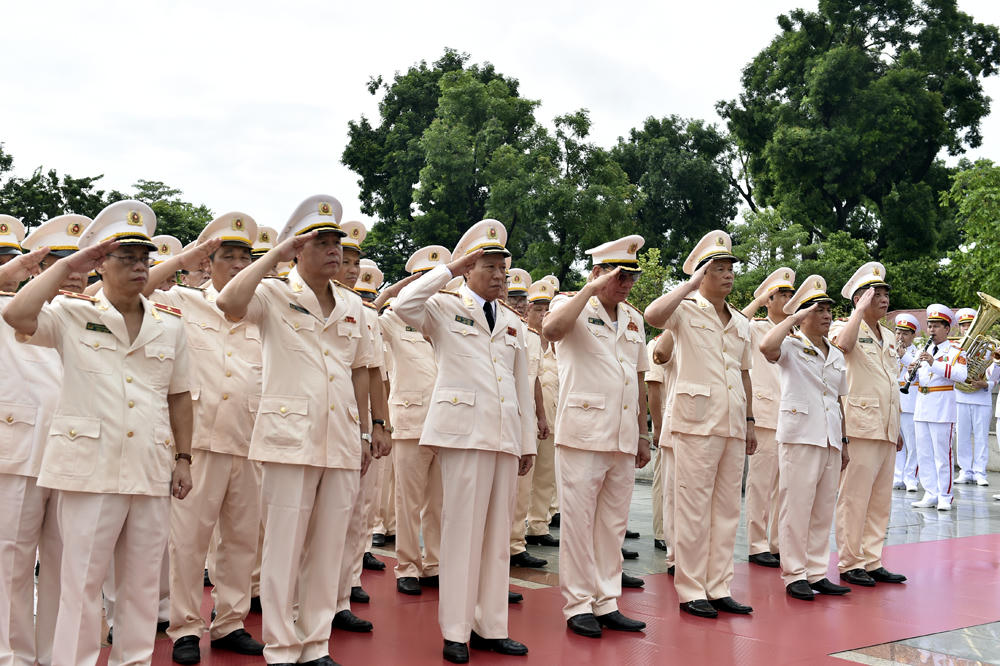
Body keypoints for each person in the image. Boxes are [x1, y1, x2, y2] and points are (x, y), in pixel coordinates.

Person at [3, 200, 195, 666]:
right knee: (81, 584)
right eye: (124, 258)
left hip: (150, 467)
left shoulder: (169, 324)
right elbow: (18, 315)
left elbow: (180, 396)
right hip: (88, 469)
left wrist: (184, 458)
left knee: (141, 586)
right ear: (99, 265)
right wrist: (70, 262)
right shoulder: (70, 312)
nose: (138, 267)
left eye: (142, 259)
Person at [216, 194, 374, 666]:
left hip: (340, 438)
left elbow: (362, 369)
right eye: (321, 242)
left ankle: (315, 643)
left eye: (336, 243)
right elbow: (228, 301)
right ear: (297, 249)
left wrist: (369, 431)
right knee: (284, 549)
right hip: (289, 440)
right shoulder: (273, 292)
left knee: (329, 548)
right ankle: (282, 647)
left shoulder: (351, 304)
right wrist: (273, 257)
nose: (334, 251)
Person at [392, 219, 535, 664]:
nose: (498, 276)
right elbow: (401, 304)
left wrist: (526, 440)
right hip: (463, 435)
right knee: (460, 534)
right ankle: (455, 629)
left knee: (496, 536)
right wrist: (450, 269)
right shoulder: (441, 307)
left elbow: (521, 385)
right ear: (469, 269)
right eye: (488, 267)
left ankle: (491, 626)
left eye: (502, 269)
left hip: (503, 437)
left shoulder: (513, 322)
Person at [144, 213, 266, 663]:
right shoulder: (182, 301)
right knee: (189, 542)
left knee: (240, 540)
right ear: (208, 264)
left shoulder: (261, 309)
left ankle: (231, 621)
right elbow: (138, 289)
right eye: (227, 257)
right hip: (196, 444)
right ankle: (184, 628)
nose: (237, 265)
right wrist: (186, 256)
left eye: (244, 258)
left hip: (249, 440)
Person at [643, 230, 757, 619]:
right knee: (692, 509)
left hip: (731, 424)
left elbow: (744, 373)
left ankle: (719, 585)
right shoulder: (686, 309)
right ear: (702, 274)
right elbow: (653, 316)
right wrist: (688, 284)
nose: (728, 275)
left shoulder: (740, 321)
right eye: (719, 269)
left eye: (730, 269)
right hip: (694, 423)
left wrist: (751, 421)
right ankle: (691, 588)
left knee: (726, 510)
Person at [542, 235, 651, 638]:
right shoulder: (569, 304)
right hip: (583, 435)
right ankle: (578, 605)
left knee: (612, 525)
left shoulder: (634, 319)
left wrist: (642, 433)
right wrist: (588, 288)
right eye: (619, 275)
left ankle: (607, 600)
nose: (625, 283)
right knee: (578, 523)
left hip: (622, 436)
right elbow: (551, 330)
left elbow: (638, 379)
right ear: (597, 273)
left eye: (631, 277)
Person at [0, 214, 90, 666]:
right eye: (58, 263)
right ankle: (13, 656)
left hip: (75, 455)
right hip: (19, 454)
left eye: (78, 265)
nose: (72, 275)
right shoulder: (6, 307)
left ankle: (57, 655)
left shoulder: (97, 314)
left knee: (64, 564)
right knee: (12, 563)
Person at [759, 275, 851, 601]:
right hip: (800, 435)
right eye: (818, 310)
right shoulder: (792, 346)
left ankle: (816, 571)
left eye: (828, 309)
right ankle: (794, 574)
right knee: (796, 507)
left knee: (823, 508)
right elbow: (766, 347)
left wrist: (845, 441)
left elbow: (837, 399)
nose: (826, 315)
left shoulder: (836, 353)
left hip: (829, 438)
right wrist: (793, 316)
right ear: (803, 314)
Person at [376, 245, 449, 596]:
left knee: (439, 501)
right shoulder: (393, 317)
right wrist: (389, 292)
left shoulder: (448, 316)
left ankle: (433, 562)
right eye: (422, 279)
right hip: (409, 419)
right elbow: (366, 320)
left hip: (446, 422)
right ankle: (406, 565)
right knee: (408, 500)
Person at [829, 262, 906, 587]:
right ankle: (850, 562)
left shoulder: (887, 334)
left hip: (886, 426)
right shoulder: (844, 326)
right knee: (854, 498)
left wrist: (898, 425)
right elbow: (842, 348)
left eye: (886, 293)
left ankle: (872, 560)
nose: (884, 299)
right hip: (860, 425)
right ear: (860, 299)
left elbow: (889, 381)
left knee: (879, 499)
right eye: (876, 294)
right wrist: (858, 312)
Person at [333, 221, 391, 633]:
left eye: (356, 262)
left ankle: (343, 591)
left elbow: (373, 374)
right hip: (312, 426)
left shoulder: (364, 312)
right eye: (346, 261)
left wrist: (376, 425)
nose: (352, 269)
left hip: (355, 428)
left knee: (354, 516)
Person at [740, 267, 797, 568]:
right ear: (769, 299)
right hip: (763, 415)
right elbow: (736, 322)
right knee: (760, 485)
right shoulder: (756, 328)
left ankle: (776, 542)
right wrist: (759, 300)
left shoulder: (795, 332)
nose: (789, 300)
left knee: (784, 486)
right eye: (782, 295)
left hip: (791, 417)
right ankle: (756, 544)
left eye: (791, 294)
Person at [508, 268, 551, 570]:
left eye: (523, 299)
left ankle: (514, 544)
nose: (520, 304)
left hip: (525, 416)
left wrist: (541, 416)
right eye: (515, 298)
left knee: (522, 487)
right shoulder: (499, 326)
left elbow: (533, 380)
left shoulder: (533, 336)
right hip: (501, 414)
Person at [911, 305, 966, 512]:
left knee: (942, 455)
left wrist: (933, 362)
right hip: (922, 405)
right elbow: (916, 378)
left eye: (936, 326)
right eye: (930, 326)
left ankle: (945, 495)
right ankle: (930, 492)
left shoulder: (955, 351)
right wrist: (911, 372)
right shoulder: (922, 350)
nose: (931, 330)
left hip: (942, 406)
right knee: (923, 453)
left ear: (947, 329)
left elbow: (961, 375)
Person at [523, 280, 560, 551]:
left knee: (546, 476)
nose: (543, 315)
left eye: (548, 310)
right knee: (524, 479)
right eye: (538, 309)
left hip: (552, 420)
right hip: (527, 420)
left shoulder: (559, 347)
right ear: (527, 312)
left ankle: (538, 525)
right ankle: (518, 529)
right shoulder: (523, 339)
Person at [952, 307, 994, 487]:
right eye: (964, 326)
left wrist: (987, 384)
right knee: (961, 436)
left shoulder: (989, 348)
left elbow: (994, 374)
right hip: (961, 396)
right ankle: (965, 470)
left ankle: (980, 472)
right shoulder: (954, 347)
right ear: (960, 328)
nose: (967, 328)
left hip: (981, 398)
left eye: (970, 324)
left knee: (981, 437)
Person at [893, 314, 921, 492]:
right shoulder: (889, 351)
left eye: (905, 333)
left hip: (910, 404)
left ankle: (911, 478)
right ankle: (897, 476)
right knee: (897, 444)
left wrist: (903, 357)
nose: (900, 337)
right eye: (898, 332)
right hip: (894, 403)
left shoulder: (917, 352)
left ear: (912, 336)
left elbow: (917, 371)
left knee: (913, 445)